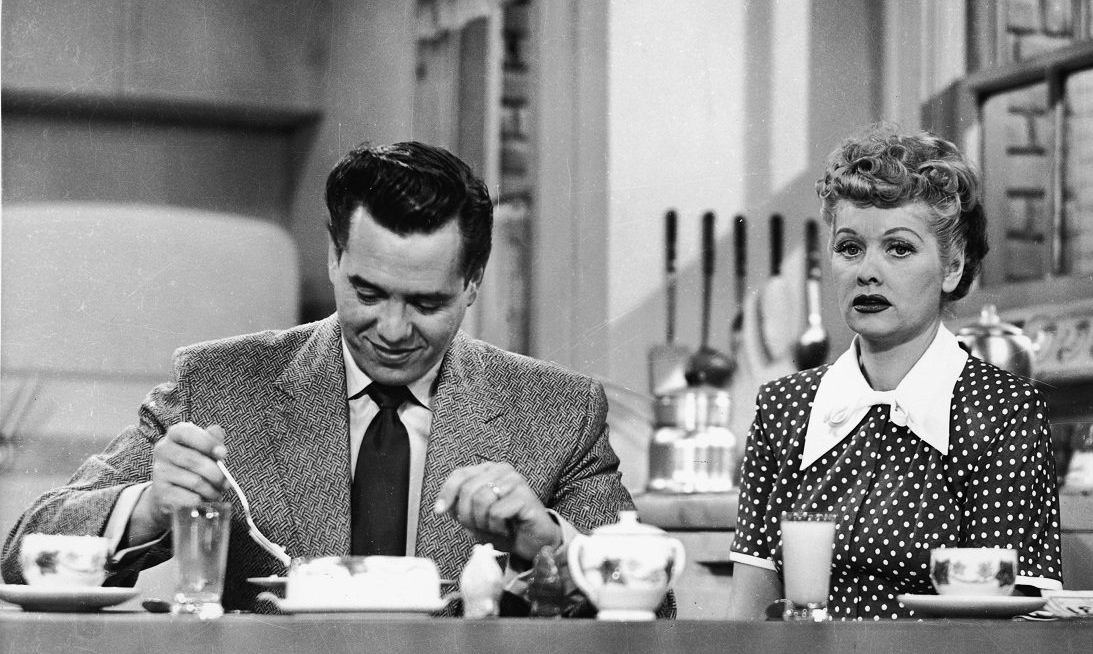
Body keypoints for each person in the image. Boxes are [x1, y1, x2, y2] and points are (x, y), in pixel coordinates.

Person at [2, 141, 659, 616]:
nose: (394, 329)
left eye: (426, 304)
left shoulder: (559, 412)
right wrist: (148, 505)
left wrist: (547, 544)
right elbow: (21, 550)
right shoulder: (219, 384)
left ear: (473, 285)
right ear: (334, 257)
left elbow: (654, 615)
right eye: (368, 293)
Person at [728, 124, 1062, 620]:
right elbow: (749, 615)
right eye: (849, 248)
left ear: (952, 267)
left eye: (899, 248)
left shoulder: (1001, 412)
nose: (867, 271)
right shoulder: (784, 407)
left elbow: (1008, 625)